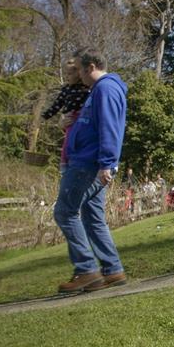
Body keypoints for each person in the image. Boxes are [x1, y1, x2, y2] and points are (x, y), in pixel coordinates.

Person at [53, 49, 128, 294]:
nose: (77, 75)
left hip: (89, 164)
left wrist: (107, 163)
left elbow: (110, 127)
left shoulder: (106, 89)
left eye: (79, 69)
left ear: (91, 67)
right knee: (92, 217)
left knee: (65, 211)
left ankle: (86, 270)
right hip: (90, 162)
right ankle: (112, 269)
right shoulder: (98, 91)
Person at [42, 56, 91, 171]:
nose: (66, 77)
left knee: (77, 141)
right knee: (67, 142)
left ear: (78, 74)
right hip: (70, 118)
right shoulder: (66, 89)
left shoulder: (88, 88)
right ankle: (64, 163)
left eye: (69, 74)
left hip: (82, 118)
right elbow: (57, 105)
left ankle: (75, 161)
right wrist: (45, 116)